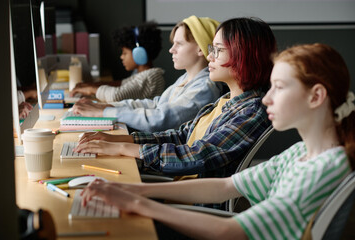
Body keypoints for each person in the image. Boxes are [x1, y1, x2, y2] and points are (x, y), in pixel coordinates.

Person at [79, 43, 354, 239]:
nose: (267, 98)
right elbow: (225, 186)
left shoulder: (325, 167)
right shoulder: (301, 152)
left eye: (279, 88)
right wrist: (135, 192)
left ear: (316, 96)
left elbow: (229, 231)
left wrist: (139, 204)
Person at [75, 18, 276, 189]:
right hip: (180, 191)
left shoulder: (251, 111)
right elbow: (180, 136)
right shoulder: (224, 102)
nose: (209, 57)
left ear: (244, 57)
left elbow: (196, 155)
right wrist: (118, 141)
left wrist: (124, 149)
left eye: (218, 50)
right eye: (211, 49)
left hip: (196, 207)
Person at [72, 15, 223, 132]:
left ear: (201, 48)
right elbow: (157, 104)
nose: (171, 50)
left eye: (179, 44)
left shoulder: (204, 88)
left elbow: (160, 119)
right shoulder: (186, 79)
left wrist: (106, 111)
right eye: (173, 44)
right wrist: (107, 106)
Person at [70, 21, 165, 102]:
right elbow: (121, 84)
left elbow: (117, 95)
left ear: (138, 53)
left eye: (124, 53)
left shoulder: (151, 77)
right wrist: (90, 85)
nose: (121, 57)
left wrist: (90, 89)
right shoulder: (142, 74)